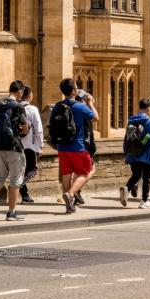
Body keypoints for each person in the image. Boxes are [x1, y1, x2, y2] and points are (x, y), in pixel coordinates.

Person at [0, 80, 29, 221]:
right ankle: (11, 212)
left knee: (0, 177)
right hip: (14, 147)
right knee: (15, 181)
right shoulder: (18, 106)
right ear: (20, 91)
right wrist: (22, 131)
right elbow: (24, 128)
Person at [54, 79, 98, 214]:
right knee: (86, 171)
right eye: (76, 88)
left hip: (62, 146)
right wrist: (90, 103)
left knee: (66, 175)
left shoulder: (57, 106)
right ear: (73, 91)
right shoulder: (80, 106)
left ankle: (69, 205)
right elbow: (96, 118)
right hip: (77, 146)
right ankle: (70, 194)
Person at [120, 99, 150, 208]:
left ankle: (127, 188)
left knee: (136, 175)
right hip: (146, 153)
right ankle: (144, 201)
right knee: (147, 177)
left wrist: (126, 153)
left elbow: (127, 138)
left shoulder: (131, 120)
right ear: (149, 108)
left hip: (133, 153)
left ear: (139, 107)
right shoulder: (149, 121)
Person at [18, 86, 43, 204]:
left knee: (21, 170)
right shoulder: (32, 109)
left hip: (17, 144)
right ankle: (18, 185)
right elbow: (38, 129)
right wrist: (40, 145)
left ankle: (25, 196)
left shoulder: (15, 107)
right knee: (32, 168)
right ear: (29, 95)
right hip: (30, 145)